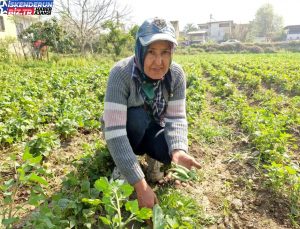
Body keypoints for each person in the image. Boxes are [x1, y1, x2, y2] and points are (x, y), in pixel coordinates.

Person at [102, 17, 201, 209]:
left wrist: (179, 150)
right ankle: (124, 167)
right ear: (140, 50)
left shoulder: (176, 75)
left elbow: (176, 118)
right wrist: (139, 184)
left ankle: (154, 159)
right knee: (137, 117)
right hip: (127, 130)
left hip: (154, 126)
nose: (159, 61)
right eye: (151, 52)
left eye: (165, 52)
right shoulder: (120, 73)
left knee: (169, 149)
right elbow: (114, 132)